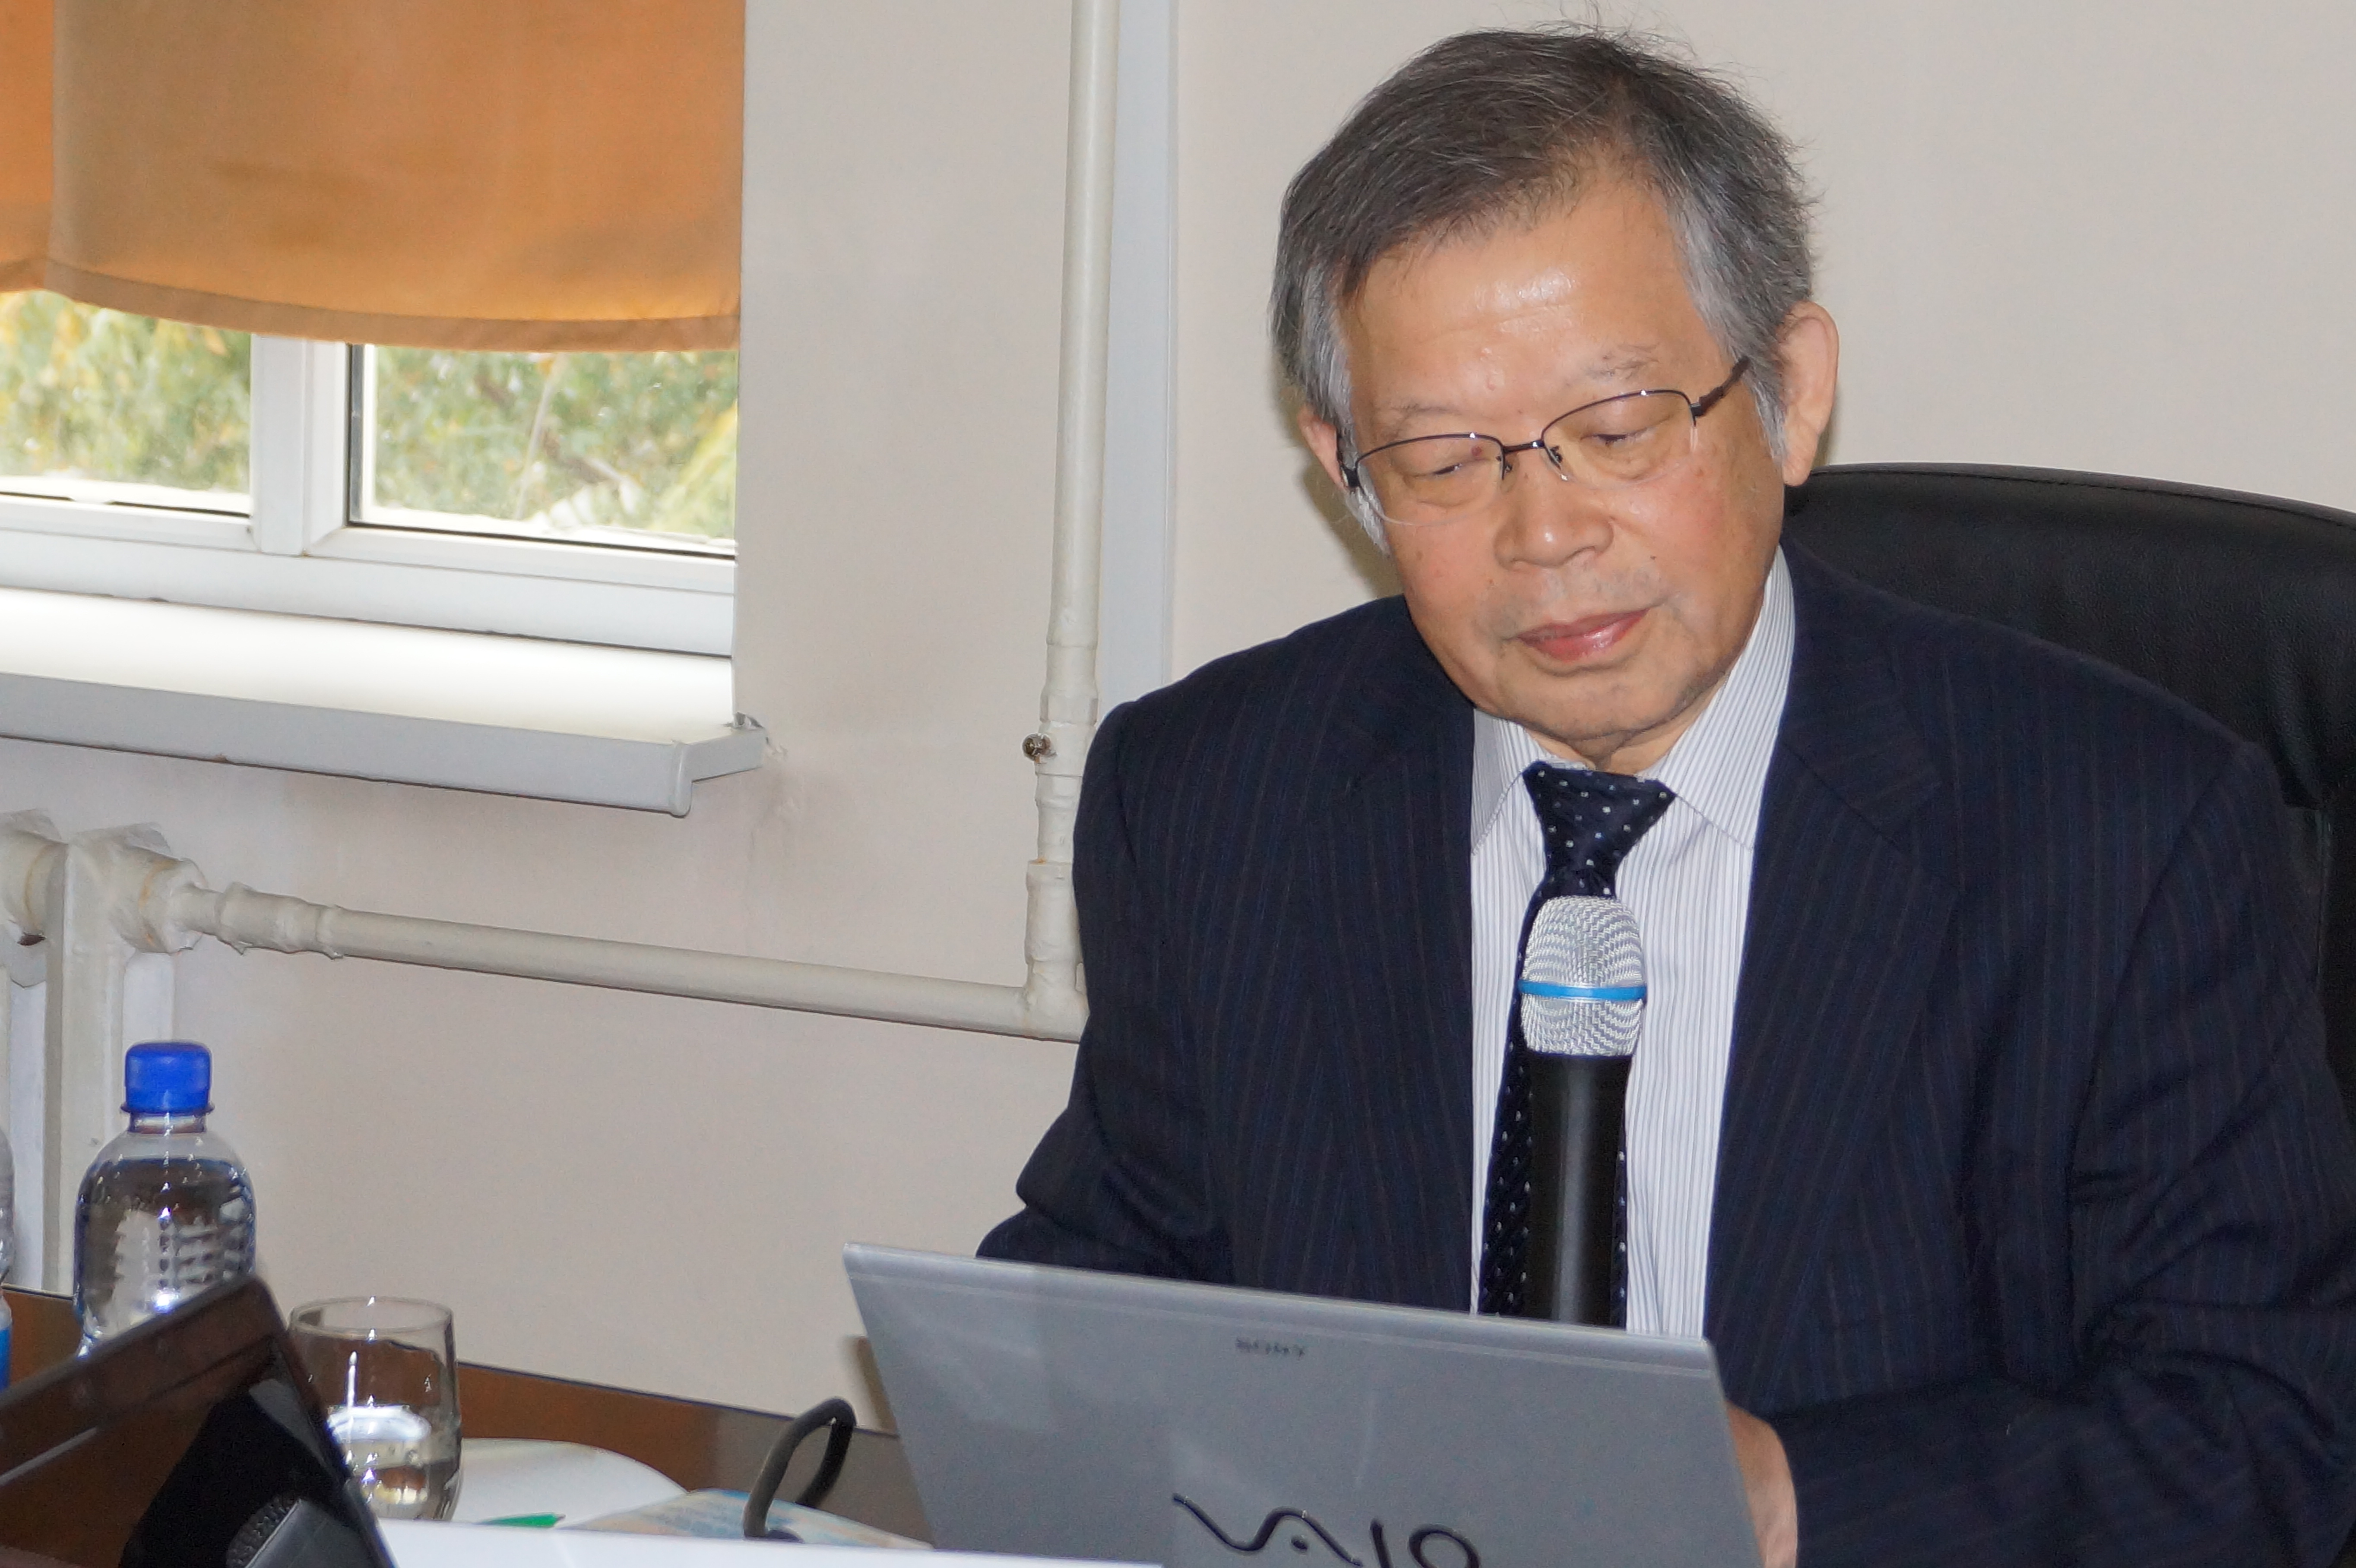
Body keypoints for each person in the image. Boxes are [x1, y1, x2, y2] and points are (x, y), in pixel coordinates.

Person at [981, 25, 2356, 1567]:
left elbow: (2267, 1436)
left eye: (1620, 431)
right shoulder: (1212, 798)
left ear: (1792, 390)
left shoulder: (2124, 835)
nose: (1545, 534)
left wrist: (1787, 1500)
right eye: (1442, 462)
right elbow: (1112, 1299)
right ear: (1342, 466)